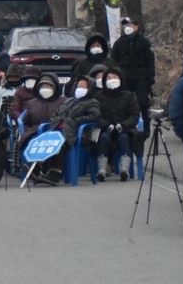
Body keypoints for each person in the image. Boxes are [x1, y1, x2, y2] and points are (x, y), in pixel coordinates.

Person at [111, 17, 155, 148]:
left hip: (141, 77)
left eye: (130, 25)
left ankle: (146, 129)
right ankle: (126, 126)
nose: (127, 27)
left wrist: (150, 78)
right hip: (125, 77)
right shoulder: (119, 43)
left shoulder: (144, 42)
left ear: (136, 26)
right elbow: (114, 61)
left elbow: (150, 61)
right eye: (125, 25)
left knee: (142, 102)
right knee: (125, 103)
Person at [48, 74, 101, 180]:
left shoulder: (92, 102)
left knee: (59, 143)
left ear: (90, 88)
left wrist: (76, 121)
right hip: (58, 129)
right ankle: (38, 168)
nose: (80, 89)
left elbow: (94, 116)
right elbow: (57, 113)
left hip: (76, 133)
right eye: (78, 86)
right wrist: (55, 120)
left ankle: (54, 174)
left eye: (83, 87)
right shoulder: (68, 101)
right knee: (45, 141)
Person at [96, 67, 140, 181]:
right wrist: (106, 125)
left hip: (125, 129)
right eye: (109, 78)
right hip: (106, 129)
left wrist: (123, 125)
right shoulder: (99, 96)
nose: (112, 80)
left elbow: (135, 116)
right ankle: (102, 169)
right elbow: (96, 116)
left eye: (115, 77)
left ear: (121, 79)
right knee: (104, 138)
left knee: (124, 138)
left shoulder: (129, 95)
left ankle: (124, 169)